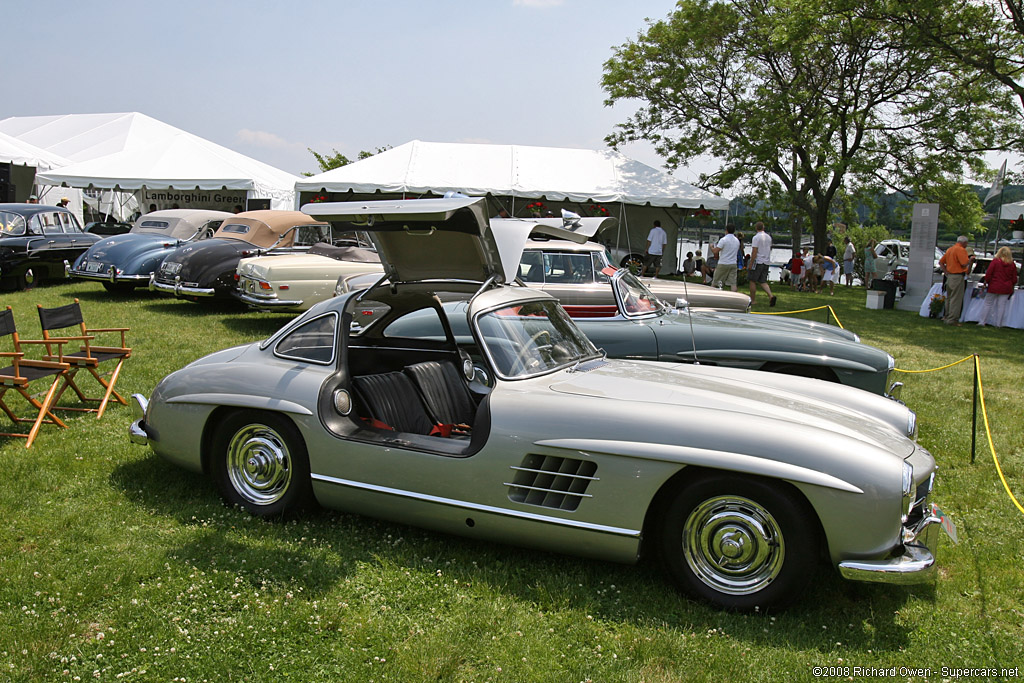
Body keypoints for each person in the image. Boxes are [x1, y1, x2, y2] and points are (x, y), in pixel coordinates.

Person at [978, 246, 1019, 327]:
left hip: (994, 285)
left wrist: (987, 281)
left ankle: (982, 321)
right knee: (1001, 306)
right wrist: (1011, 285)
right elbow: (1014, 278)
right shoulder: (1012, 264)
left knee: (988, 304)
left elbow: (989, 274)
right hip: (1006, 287)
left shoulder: (995, 262)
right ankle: (998, 324)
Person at [938, 235, 973, 326]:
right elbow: (964, 263)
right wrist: (970, 260)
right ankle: (952, 320)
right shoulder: (961, 250)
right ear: (964, 243)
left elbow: (941, 262)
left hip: (950, 276)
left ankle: (947, 317)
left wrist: (946, 272)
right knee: (956, 299)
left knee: (949, 298)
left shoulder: (950, 249)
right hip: (957, 276)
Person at [748, 221, 776, 306]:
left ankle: (753, 300)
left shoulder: (756, 238)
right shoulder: (768, 237)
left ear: (756, 228)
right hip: (766, 261)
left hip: (758, 261)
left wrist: (751, 263)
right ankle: (770, 296)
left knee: (752, 280)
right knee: (762, 281)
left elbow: (754, 251)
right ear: (763, 228)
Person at [710, 225, 741, 291]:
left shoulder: (723, 240)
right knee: (733, 283)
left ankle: (711, 295)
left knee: (715, 281)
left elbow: (715, 251)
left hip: (723, 263)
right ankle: (734, 297)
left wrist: (711, 247)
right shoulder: (737, 241)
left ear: (726, 230)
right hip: (733, 263)